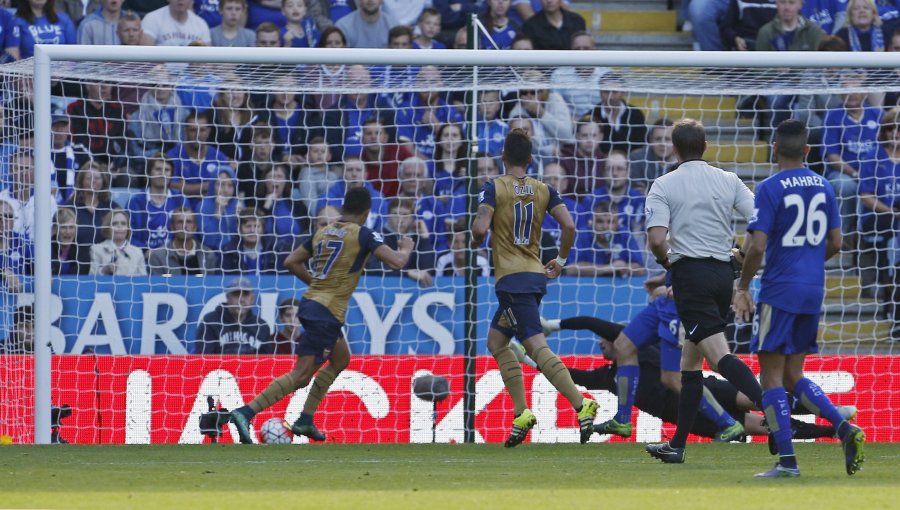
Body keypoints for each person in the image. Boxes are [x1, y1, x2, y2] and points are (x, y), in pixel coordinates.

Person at [733, 119, 865, 477]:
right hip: (813, 289)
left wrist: (743, 285)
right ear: (808, 150)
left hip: (780, 288)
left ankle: (788, 462)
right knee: (793, 375)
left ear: (774, 148)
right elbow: (837, 243)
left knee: (771, 379)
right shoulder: (825, 185)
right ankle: (843, 427)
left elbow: (757, 245)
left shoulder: (770, 188)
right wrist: (807, 263)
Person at [229, 187, 413, 443]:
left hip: (314, 306)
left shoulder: (324, 231)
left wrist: (316, 281)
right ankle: (245, 412)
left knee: (341, 359)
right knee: (302, 375)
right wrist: (406, 247)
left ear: (343, 208)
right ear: (366, 213)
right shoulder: (363, 234)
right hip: (326, 313)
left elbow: (291, 261)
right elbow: (397, 262)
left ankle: (305, 419)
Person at [643, 118, 763, 463]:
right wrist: (740, 255)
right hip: (722, 276)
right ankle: (677, 445)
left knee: (719, 356)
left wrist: (667, 262)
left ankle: (774, 413)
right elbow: (760, 220)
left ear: (675, 149)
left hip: (690, 276)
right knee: (690, 363)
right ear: (706, 146)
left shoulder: (664, 184)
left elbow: (656, 239)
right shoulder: (728, 179)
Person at [471, 128, 599, 447]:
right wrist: (562, 258)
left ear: (503, 157)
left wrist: (476, 235)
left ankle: (582, 405)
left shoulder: (495, 187)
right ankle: (521, 413)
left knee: (536, 348)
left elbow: (480, 227)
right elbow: (569, 225)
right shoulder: (544, 189)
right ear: (530, 159)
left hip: (512, 281)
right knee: (497, 341)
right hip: (535, 275)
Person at [545, 314, 845, 442]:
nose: (601, 344)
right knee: (763, 427)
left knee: (759, 399)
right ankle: (831, 432)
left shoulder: (638, 343)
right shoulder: (611, 378)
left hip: (703, 389)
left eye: (605, 340)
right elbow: (574, 377)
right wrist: (536, 358)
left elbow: (592, 323)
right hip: (684, 415)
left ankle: (833, 413)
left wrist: (555, 326)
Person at [858, 108, 900, 341]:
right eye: (890, 128)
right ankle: (891, 307)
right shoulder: (874, 155)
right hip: (881, 218)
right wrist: (891, 211)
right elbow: (865, 194)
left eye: (899, 128)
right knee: (891, 249)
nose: (895, 133)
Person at [196, 277, 273, 354]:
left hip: (252, 366)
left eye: (245, 295)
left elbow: (267, 362)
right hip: (219, 366)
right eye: (236, 294)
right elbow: (204, 358)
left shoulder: (262, 326)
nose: (241, 300)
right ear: (228, 297)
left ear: (252, 299)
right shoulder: (210, 322)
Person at [148, 206, 219, 274]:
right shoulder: (158, 257)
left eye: (189, 222)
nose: (184, 226)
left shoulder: (208, 255)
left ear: (195, 227)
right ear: (172, 227)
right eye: (180, 222)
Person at [89, 208, 149, 276]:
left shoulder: (137, 252)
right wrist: (104, 271)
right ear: (108, 227)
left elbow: (144, 281)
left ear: (128, 227)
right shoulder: (96, 250)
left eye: (123, 224)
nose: (119, 226)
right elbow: (91, 279)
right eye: (114, 223)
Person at [520, 0, 585, 50]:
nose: (549, 1)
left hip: (573, 64)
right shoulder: (531, 25)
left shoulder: (576, 20)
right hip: (544, 66)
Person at [141, 0, 212, 46]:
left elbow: (207, 59)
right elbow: (144, 56)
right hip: (160, 69)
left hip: (193, 69)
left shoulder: (201, 24)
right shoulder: (152, 19)